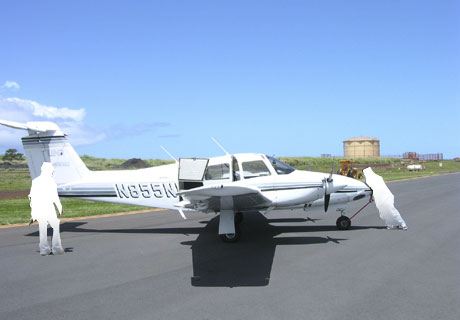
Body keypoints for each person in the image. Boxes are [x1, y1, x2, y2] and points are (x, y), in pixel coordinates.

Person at [29, 162, 64, 255]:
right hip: (48, 207)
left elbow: (32, 197)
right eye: (51, 170)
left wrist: (33, 214)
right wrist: (59, 207)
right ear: (48, 170)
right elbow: (55, 196)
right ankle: (56, 248)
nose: (52, 172)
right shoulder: (51, 181)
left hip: (40, 208)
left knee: (43, 229)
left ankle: (44, 249)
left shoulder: (35, 181)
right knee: (55, 226)